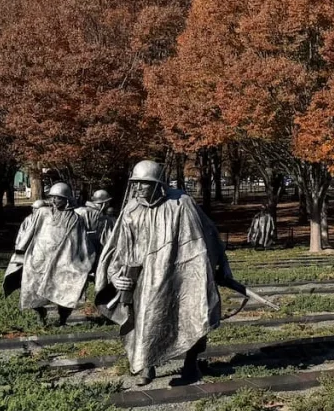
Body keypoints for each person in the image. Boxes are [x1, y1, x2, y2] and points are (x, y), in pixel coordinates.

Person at [94, 160, 232, 386]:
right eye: (135, 183)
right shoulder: (131, 209)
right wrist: (114, 275)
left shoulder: (181, 203)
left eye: (144, 184)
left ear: (158, 185)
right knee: (145, 318)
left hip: (182, 273)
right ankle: (147, 364)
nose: (138, 188)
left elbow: (207, 234)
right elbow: (117, 248)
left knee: (193, 313)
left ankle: (191, 362)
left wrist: (221, 264)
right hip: (145, 279)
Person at [3, 183, 94, 327]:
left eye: (58, 198)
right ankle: (40, 314)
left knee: (66, 290)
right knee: (31, 288)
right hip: (40, 258)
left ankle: (63, 319)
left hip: (63, 260)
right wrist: (21, 248)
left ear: (66, 199)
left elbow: (80, 240)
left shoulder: (76, 219)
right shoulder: (42, 213)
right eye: (52, 197)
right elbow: (31, 230)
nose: (54, 201)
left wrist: (84, 260)